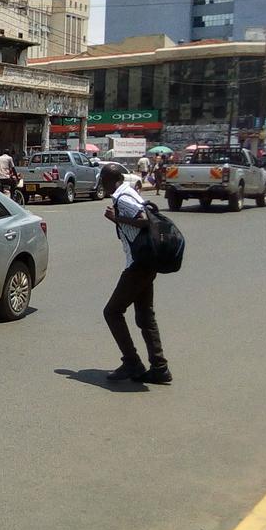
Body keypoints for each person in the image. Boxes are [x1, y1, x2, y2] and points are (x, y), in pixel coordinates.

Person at [100, 163, 171, 384]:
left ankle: (132, 362)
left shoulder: (123, 198)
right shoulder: (129, 192)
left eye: (103, 180)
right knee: (145, 317)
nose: (102, 185)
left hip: (139, 265)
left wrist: (117, 218)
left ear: (112, 181)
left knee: (112, 312)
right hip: (147, 261)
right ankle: (159, 368)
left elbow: (143, 220)